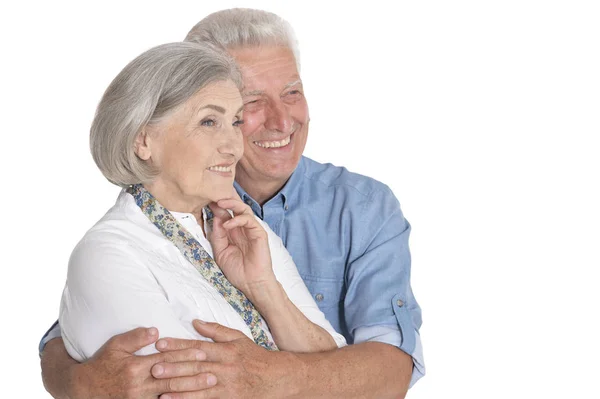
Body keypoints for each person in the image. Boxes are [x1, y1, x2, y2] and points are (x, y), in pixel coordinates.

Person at [41, 9, 424, 399]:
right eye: (250, 103)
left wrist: (264, 367)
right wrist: (78, 382)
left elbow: (390, 369)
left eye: (291, 92)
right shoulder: (128, 241)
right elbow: (82, 328)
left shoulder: (351, 211)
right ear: (144, 138)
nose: (280, 120)